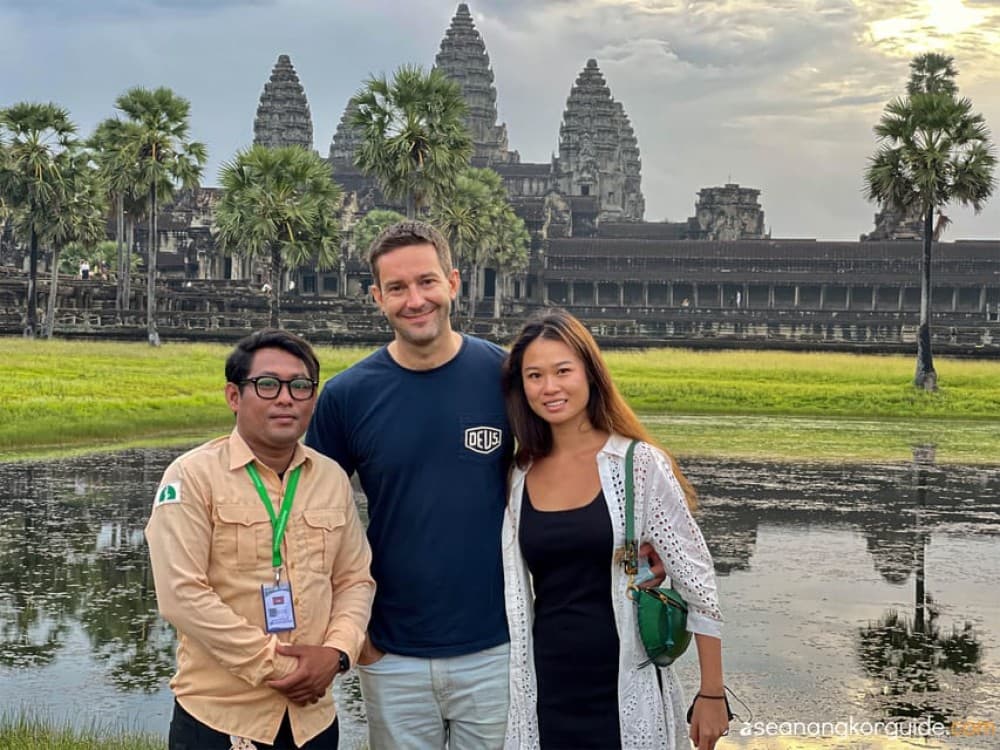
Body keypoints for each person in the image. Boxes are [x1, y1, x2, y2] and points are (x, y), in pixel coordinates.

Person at [305, 221, 512, 749]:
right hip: (390, 649)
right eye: (396, 288)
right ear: (377, 297)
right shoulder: (347, 396)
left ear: (453, 283)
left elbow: (566, 478)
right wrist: (351, 637)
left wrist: (632, 546)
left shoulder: (507, 378)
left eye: (426, 282)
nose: (415, 300)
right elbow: (314, 523)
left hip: (498, 648)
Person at [500, 308, 729, 750]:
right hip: (544, 686)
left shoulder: (637, 465)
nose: (549, 387)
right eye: (534, 376)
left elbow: (696, 581)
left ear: (590, 373)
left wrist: (712, 693)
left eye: (563, 371)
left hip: (625, 683)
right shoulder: (519, 474)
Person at [146, 329, 375, 750]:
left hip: (313, 720)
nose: (286, 399)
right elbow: (181, 595)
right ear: (234, 396)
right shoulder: (192, 476)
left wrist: (337, 653)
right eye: (267, 385)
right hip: (221, 719)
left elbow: (355, 580)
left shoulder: (330, 478)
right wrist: (278, 666)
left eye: (300, 386)